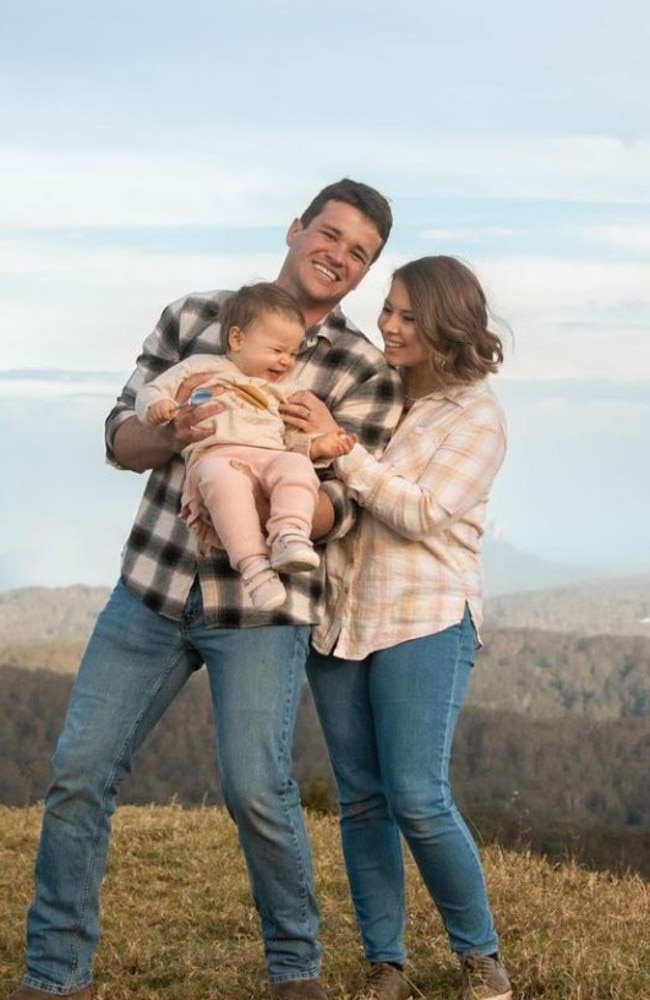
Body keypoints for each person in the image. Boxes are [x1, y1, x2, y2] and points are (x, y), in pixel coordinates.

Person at [7, 179, 404, 1000]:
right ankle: (54, 979)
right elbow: (120, 435)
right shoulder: (192, 317)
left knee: (257, 790)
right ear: (295, 230)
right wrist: (170, 433)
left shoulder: (361, 370)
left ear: (365, 273)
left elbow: (345, 508)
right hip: (152, 585)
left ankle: (296, 972)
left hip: (260, 609)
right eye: (329, 234)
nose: (339, 255)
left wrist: (285, 489)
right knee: (80, 772)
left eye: (359, 253)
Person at [306, 256, 513, 1000]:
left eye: (407, 315)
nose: (389, 325)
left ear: (447, 324)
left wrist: (340, 452)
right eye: (387, 310)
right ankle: (384, 966)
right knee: (361, 798)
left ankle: (480, 958)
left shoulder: (477, 418)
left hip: (425, 615)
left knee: (418, 796)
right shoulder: (377, 390)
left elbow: (421, 512)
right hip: (339, 618)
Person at [135, 281, 355, 612]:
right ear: (237, 339)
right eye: (277, 351)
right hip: (215, 457)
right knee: (225, 485)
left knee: (296, 469)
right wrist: (156, 407)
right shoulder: (202, 368)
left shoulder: (284, 390)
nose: (286, 362)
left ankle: (290, 535)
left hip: (269, 457)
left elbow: (291, 440)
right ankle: (254, 567)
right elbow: (151, 391)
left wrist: (318, 445)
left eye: (293, 354)